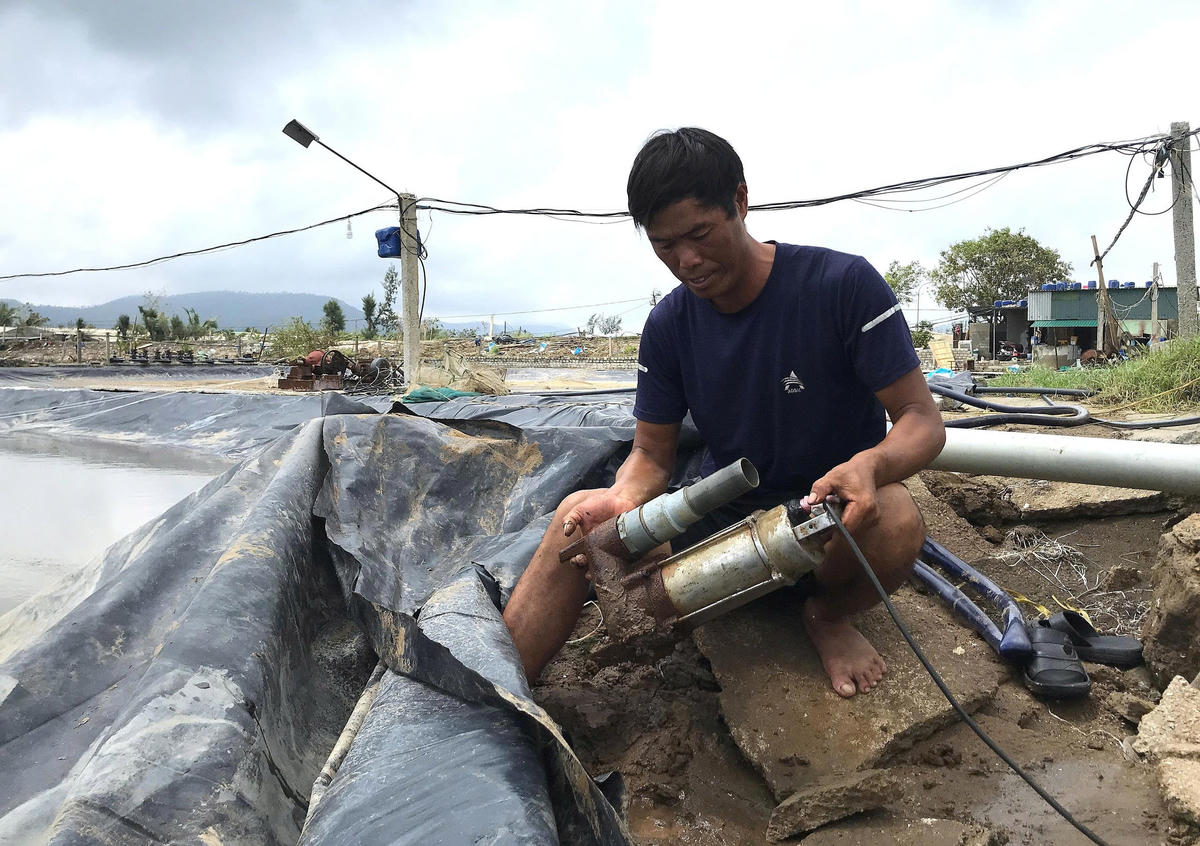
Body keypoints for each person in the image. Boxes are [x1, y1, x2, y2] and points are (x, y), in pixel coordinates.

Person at [503, 128, 945, 698]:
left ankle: (828, 616)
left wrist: (871, 465)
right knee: (578, 520)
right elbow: (650, 455)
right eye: (665, 245)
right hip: (721, 534)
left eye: (700, 234)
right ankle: (497, 703)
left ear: (739, 201)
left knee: (897, 516)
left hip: (831, 524)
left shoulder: (841, 285)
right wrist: (621, 500)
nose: (687, 260)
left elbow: (921, 418)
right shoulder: (668, 328)